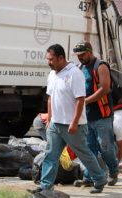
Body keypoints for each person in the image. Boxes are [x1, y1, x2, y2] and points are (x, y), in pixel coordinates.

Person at [31, 44, 107, 194]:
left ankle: (100, 179)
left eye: (51, 59)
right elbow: (50, 98)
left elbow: (80, 99)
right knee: (50, 155)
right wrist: (50, 118)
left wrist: (74, 122)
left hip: (74, 126)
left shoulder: (74, 74)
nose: (49, 62)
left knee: (84, 154)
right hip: (56, 124)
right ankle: (46, 187)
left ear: (61, 58)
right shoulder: (52, 74)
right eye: (48, 59)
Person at [73, 41, 119, 186]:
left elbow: (104, 88)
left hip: (102, 115)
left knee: (105, 147)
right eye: (78, 55)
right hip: (86, 116)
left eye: (82, 54)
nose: (79, 57)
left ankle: (113, 170)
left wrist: (86, 101)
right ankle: (89, 177)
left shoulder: (101, 66)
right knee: (89, 148)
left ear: (90, 52)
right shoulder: (79, 67)